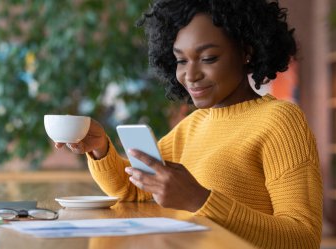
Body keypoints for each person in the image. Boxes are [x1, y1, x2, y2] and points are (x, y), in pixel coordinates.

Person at [56, 0, 323, 248]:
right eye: (181, 60)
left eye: (208, 58)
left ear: (246, 52)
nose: (191, 75)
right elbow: (133, 191)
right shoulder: (193, 124)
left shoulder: (280, 121)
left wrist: (201, 200)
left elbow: (302, 237)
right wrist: (101, 149)